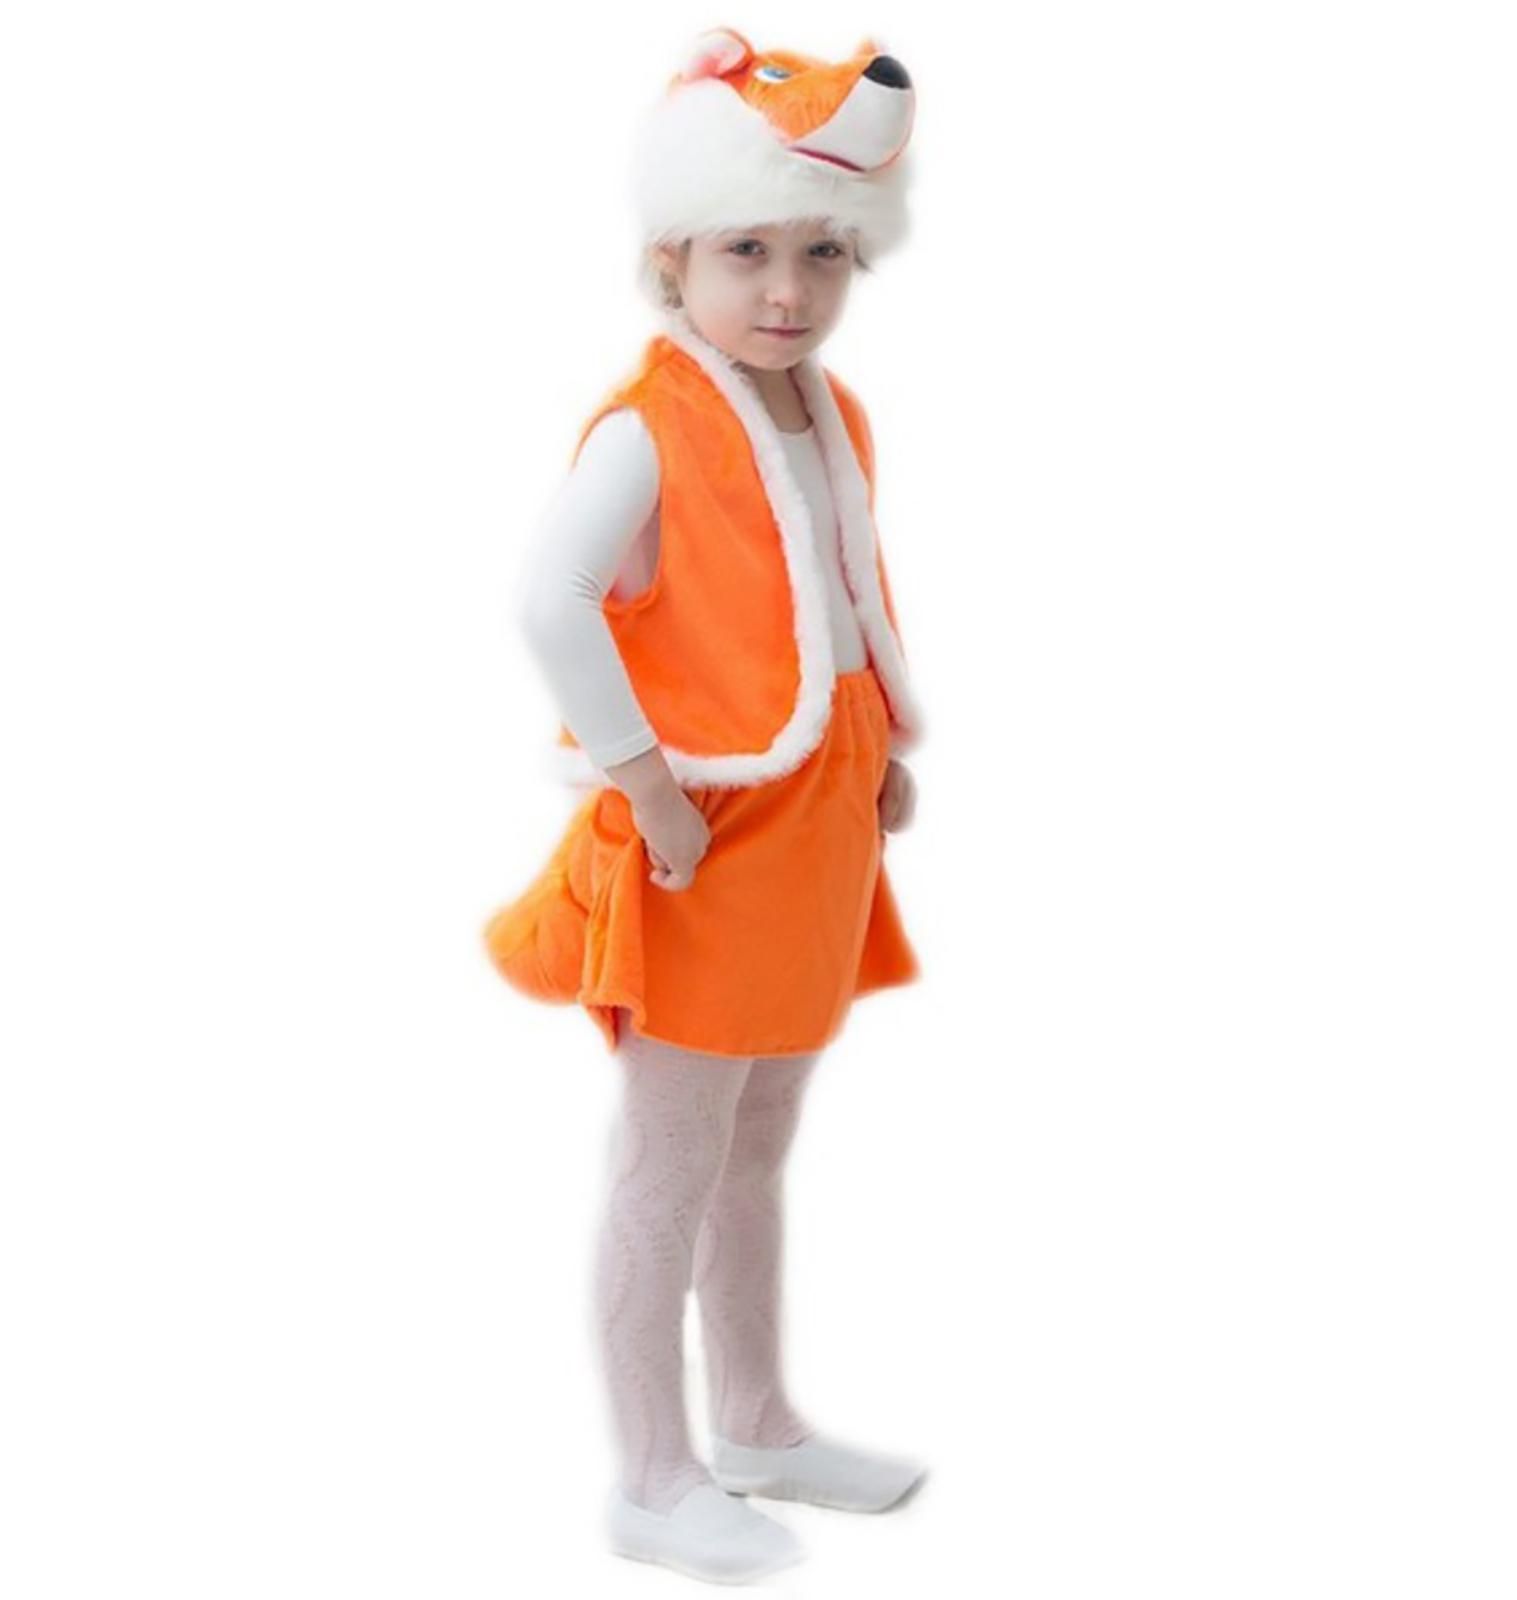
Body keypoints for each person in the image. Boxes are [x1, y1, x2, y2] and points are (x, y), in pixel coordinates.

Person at [482, 28, 929, 1584]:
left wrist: (880, 745)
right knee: (671, 1156)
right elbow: (550, 602)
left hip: (817, 821)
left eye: (824, 252)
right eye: (749, 250)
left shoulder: (829, 410)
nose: (790, 290)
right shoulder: (648, 423)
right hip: (708, 835)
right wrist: (643, 784)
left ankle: (753, 1421)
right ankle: (653, 1475)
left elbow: (830, 596)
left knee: (762, 1138)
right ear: (672, 253)